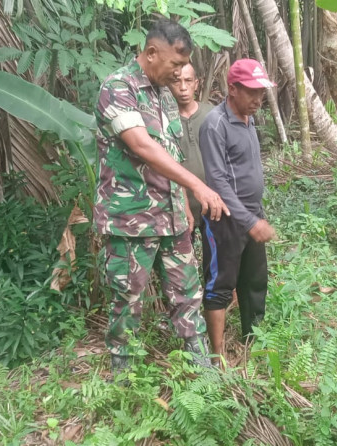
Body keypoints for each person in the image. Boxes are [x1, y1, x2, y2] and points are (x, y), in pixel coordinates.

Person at [94, 19, 230, 376]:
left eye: (183, 67)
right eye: (173, 64)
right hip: (130, 220)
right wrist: (199, 187)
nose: (178, 72)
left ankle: (204, 373)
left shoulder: (164, 94)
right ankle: (124, 380)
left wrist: (184, 204)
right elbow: (142, 145)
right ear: (151, 53)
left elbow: (173, 153)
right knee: (127, 300)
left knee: (188, 294)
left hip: (172, 217)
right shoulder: (118, 87)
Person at [198, 59, 277, 364]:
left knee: (254, 281)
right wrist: (248, 221)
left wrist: (257, 213)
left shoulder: (248, 118)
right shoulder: (215, 125)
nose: (258, 99)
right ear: (232, 89)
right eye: (251, 92)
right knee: (220, 284)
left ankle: (252, 341)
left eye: (261, 92)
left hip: (251, 215)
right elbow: (218, 181)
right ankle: (217, 357)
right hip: (226, 221)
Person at [169, 63, 214, 232]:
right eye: (176, 81)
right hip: (178, 205)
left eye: (188, 81)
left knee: (215, 256)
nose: (183, 88)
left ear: (197, 83)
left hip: (212, 202)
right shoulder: (163, 120)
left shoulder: (213, 115)